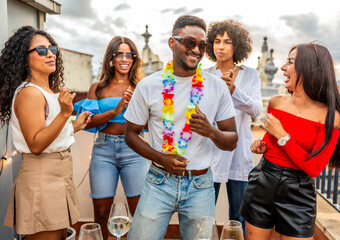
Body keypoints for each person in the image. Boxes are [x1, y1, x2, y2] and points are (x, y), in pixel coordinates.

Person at [124, 15, 238, 240]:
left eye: (202, 45)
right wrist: (162, 158)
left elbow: (231, 140)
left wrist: (211, 131)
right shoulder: (148, 86)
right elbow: (130, 134)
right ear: (172, 43)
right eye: (189, 42)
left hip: (201, 184)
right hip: (158, 181)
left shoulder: (217, 86)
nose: (197, 50)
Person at [240, 42, 340, 240]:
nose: (283, 68)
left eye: (290, 62)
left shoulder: (331, 117)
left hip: (299, 194)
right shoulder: (276, 102)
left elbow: (314, 167)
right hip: (263, 182)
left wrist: (282, 136)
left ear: (308, 69)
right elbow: (269, 143)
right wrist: (261, 146)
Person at [0, 26, 91, 240]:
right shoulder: (29, 93)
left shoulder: (48, 91)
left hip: (58, 177)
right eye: (41, 50)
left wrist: (74, 126)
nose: (50, 54)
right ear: (24, 59)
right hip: (42, 179)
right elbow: (36, 144)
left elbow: (50, 135)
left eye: (52, 48)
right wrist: (64, 114)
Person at [73, 36, 149, 239]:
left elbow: (150, 125)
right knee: (101, 213)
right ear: (111, 59)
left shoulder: (142, 86)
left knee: (139, 212)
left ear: (134, 59)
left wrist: (135, 107)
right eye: (119, 54)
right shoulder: (97, 87)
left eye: (129, 54)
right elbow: (90, 122)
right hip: (103, 151)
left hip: (135, 150)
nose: (125, 58)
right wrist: (116, 110)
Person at [205, 19, 262, 231]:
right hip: (210, 153)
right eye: (217, 41)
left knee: (238, 217)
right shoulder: (205, 76)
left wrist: (234, 90)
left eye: (227, 42)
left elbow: (256, 109)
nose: (220, 46)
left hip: (239, 154)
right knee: (203, 213)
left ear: (237, 45)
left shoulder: (251, 75)